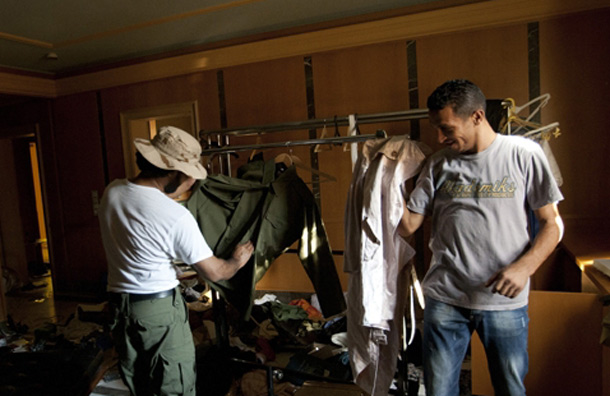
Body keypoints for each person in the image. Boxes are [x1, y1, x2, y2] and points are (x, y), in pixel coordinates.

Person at [398, 80, 564, 396]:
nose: (439, 137)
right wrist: (382, 181)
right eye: (436, 128)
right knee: (439, 391)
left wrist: (524, 267)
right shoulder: (437, 163)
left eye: (446, 128)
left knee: (510, 389)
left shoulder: (524, 154)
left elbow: (552, 224)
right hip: (445, 298)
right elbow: (408, 226)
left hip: (503, 301)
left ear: (477, 116)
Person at [99, 125, 254, 396]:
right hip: (158, 313)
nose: (192, 182)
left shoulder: (112, 192)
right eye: (190, 176)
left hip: (120, 310)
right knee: (175, 387)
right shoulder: (174, 216)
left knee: (141, 386)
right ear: (173, 172)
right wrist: (237, 260)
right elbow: (215, 272)